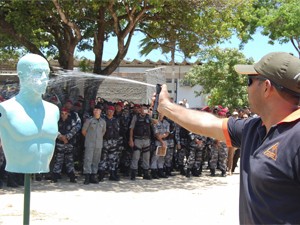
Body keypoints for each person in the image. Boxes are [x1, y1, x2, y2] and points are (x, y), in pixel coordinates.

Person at [154, 52, 300, 224]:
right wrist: (166, 107)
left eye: (250, 81)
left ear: (267, 87)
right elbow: (207, 123)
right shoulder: (253, 128)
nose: (247, 88)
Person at [0, 53, 59, 173]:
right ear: (21, 76)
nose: (44, 78)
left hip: (43, 168)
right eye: (37, 72)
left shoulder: (53, 110)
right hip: (17, 167)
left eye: (46, 73)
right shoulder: (6, 109)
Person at [81, 105, 106, 184]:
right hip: (90, 143)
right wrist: (89, 138)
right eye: (95, 109)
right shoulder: (89, 120)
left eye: (98, 110)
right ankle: (87, 177)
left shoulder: (103, 121)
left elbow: (103, 131)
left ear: (100, 111)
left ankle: (93, 176)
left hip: (98, 144)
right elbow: (83, 131)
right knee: (88, 159)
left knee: (96, 160)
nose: (96, 111)